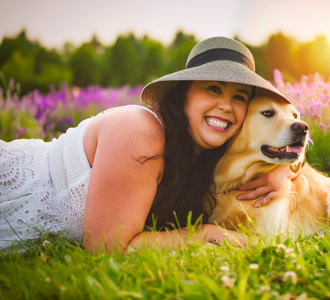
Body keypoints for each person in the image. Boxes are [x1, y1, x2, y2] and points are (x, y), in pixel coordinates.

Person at [0, 37, 293, 253]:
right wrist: (204, 234)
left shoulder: (210, 154)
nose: (226, 106)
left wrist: (282, 171)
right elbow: (107, 248)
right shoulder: (141, 132)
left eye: (239, 97)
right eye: (213, 89)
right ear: (184, 95)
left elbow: (281, 147)